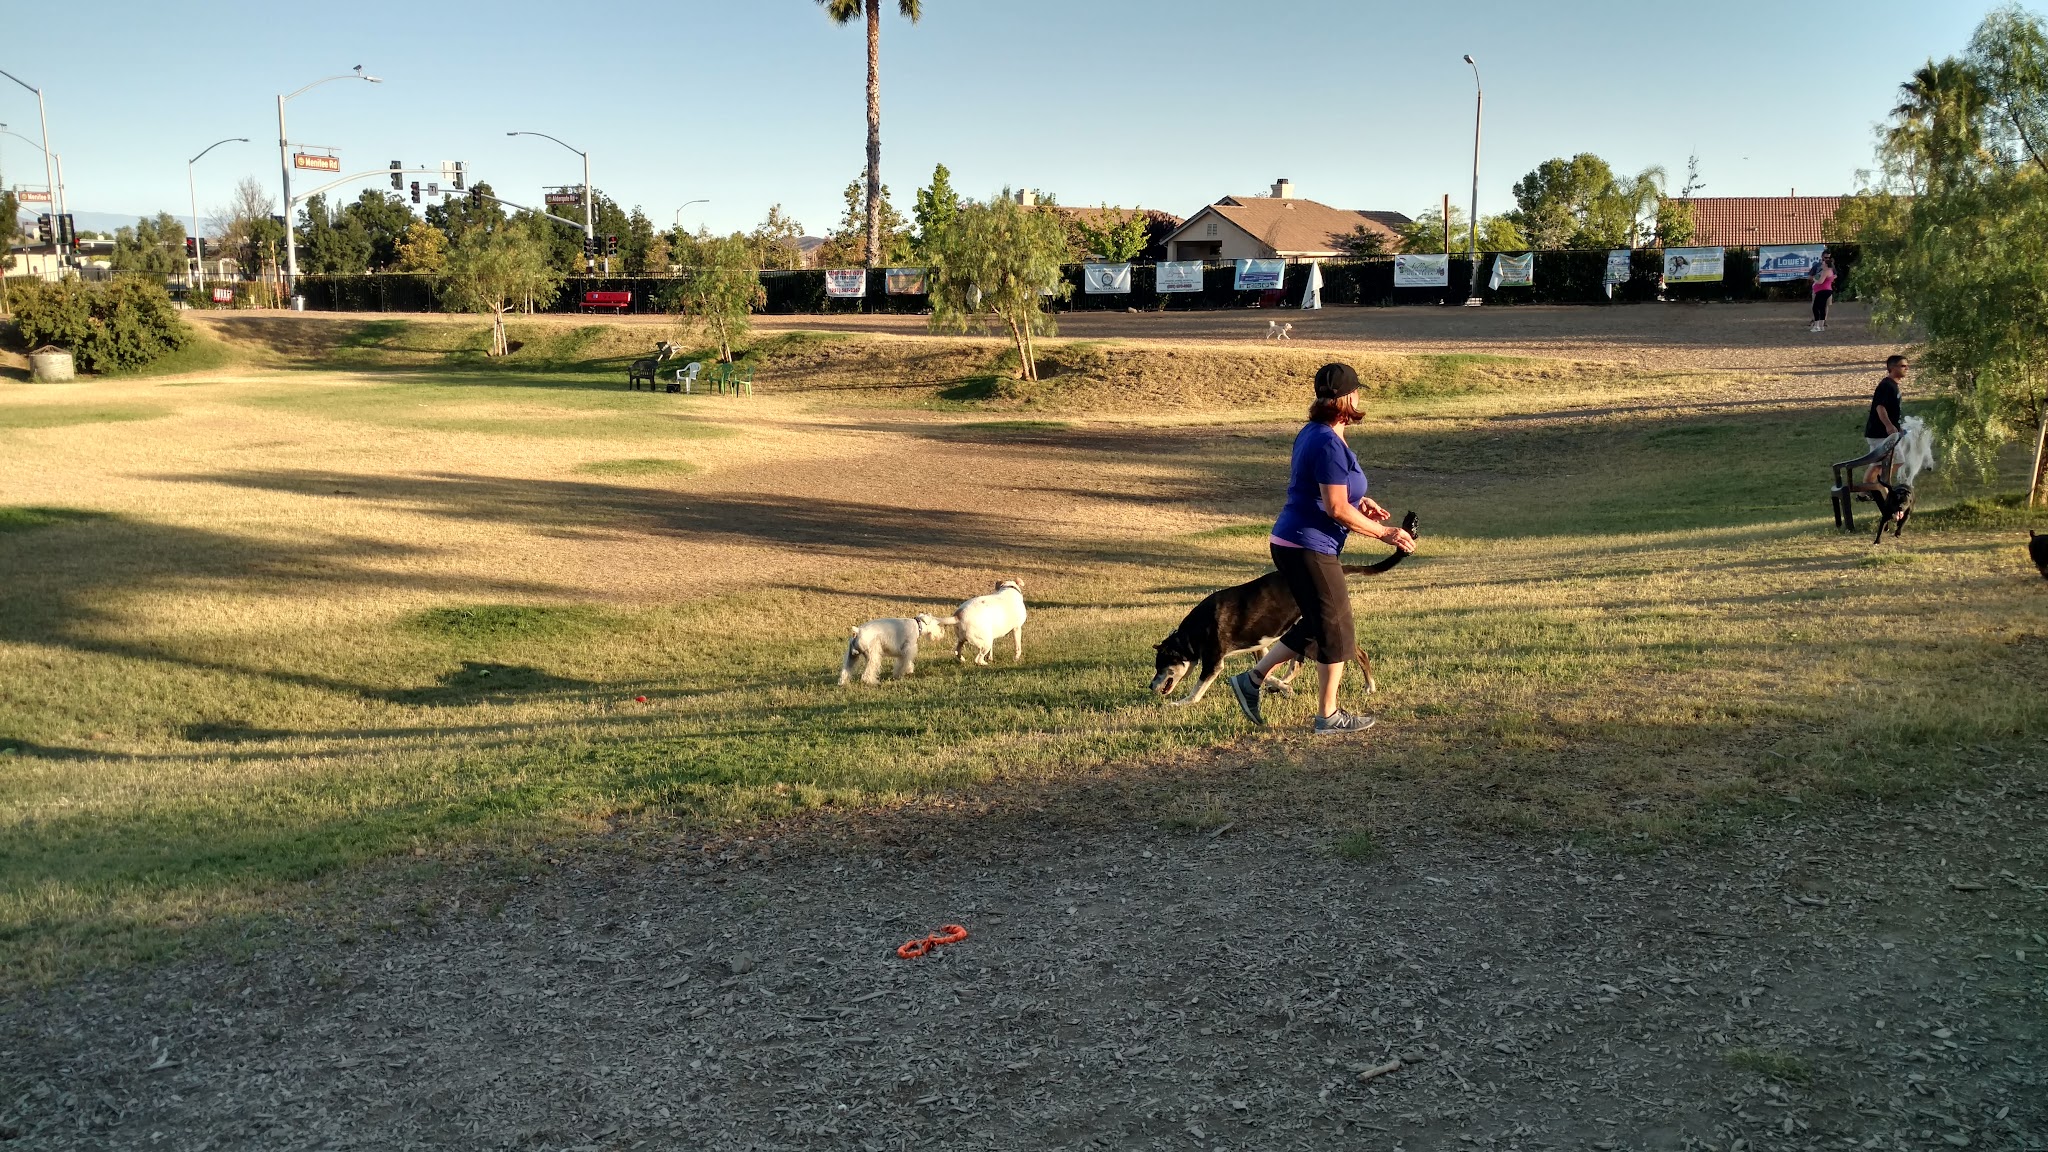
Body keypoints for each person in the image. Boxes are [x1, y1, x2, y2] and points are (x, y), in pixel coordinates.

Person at [1227, 363, 1415, 735]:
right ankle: (1327, 716)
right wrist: (1384, 533)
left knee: (1318, 623)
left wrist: (1361, 500)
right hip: (1307, 547)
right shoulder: (1328, 441)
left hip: (1293, 542)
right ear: (1347, 397)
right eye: (1357, 391)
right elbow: (1335, 508)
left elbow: (1330, 492)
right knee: (1338, 631)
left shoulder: (1315, 432)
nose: (1360, 396)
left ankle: (1252, 680)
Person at [1864, 354, 1907, 485]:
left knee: (1895, 461)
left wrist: (1898, 427)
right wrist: (1888, 425)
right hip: (1879, 433)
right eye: (1903, 366)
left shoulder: (1893, 385)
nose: (1907, 368)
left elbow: (1892, 410)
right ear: (1892, 368)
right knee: (1878, 464)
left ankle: (1880, 486)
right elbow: (1880, 407)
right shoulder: (1886, 385)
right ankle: (1869, 490)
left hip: (1888, 434)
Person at [1809, 253, 1837, 333]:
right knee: (1822, 308)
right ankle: (1821, 326)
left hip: (1822, 291)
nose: (1822, 264)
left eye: (1823, 263)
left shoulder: (1826, 271)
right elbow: (1817, 276)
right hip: (1824, 290)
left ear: (1826, 265)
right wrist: (1816, 277)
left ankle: (1816, 325)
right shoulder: (1826, 271)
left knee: (1815, 307)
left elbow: (1820, 281)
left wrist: (1815, 280)